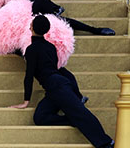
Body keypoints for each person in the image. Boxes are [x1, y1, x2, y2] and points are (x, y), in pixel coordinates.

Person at [9, 16, 114, 148]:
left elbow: (29, 76)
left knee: (81, 113)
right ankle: (71, 119)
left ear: (32, 29)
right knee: (40, 117)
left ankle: (106, 143)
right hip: (54, 88)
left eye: (31, 25)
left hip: (58, 86)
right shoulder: (50, 47)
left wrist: (26, 101)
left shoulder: (31, 50)